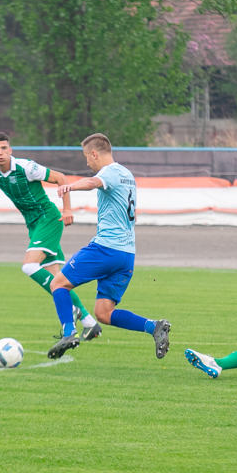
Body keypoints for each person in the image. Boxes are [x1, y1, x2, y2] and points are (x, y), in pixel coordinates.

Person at [45, 133, 170, 359]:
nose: (87, 163)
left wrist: (70, 188)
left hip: (106, 248)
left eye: (86, 157)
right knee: (104, 313)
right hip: (127, 254)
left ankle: (68, 333)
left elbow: (93, 182)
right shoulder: (127, 175)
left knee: (58, 284)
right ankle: (154, 327)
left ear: (94, 153)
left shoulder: (109, 172)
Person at [0, 131, 101, 340]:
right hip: (34, 225)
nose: (1, 153)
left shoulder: (26, 167)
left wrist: (67, 209)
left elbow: (60, 178)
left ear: (10, 150)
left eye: (4, 148)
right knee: (59, 280)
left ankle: (71, 319)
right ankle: (88, 322)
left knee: (29, 266)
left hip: (48, 218)